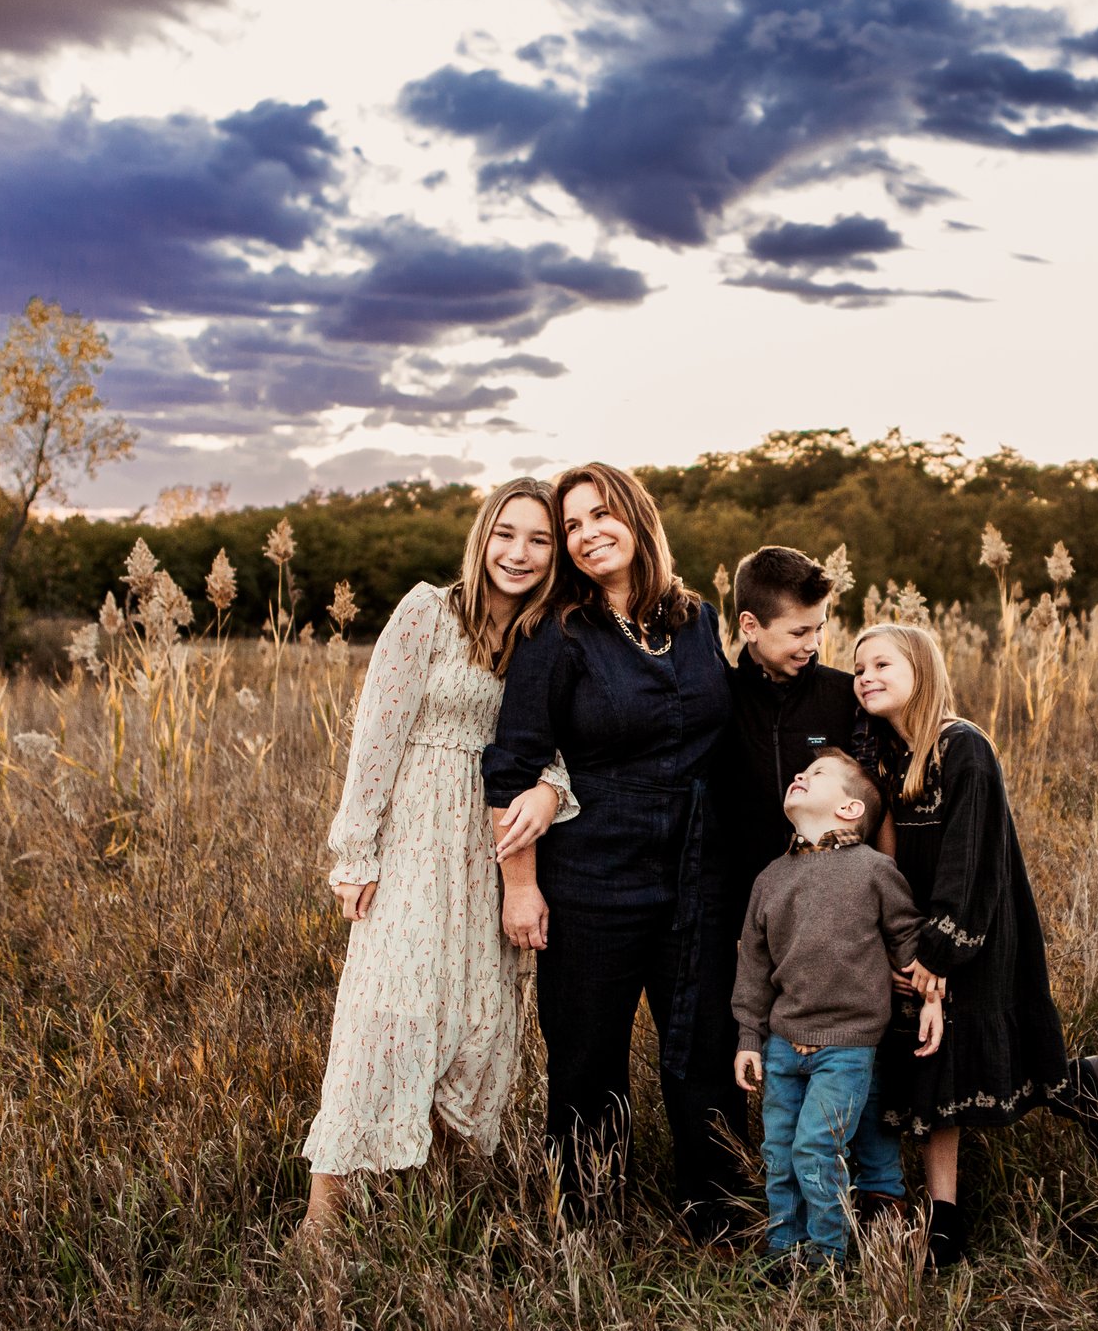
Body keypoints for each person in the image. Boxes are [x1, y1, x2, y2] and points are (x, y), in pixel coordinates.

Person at [297, 477, 576, 1247]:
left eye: (539, 540)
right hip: (416, 837)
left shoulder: (548, 634)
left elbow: (561, 747)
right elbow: (376, 735)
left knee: (480, 1017)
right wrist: (356, 849)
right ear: (483, 536)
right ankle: (325, 1219)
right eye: (507, 534)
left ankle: (448, 1201)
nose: (519, 553)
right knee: (384, 1012)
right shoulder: (427, 610)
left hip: (491, 848)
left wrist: (551, 790)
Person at [480, 463, 748, 1246]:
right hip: (593, 866)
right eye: (574, 525)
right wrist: (519, 886)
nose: (590, 532)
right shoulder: (556, 634)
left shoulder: (695, 618)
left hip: (699, 867)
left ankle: (720, 1209)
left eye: (604, 515)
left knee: (704, 1043)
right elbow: (511, 766)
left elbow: (729, 729)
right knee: (588, 1054)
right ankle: (590, 1221)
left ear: (637, 519)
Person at [853, 621, 1098, 1268]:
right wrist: (900, 948)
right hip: (919, 931)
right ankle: (944, 1214)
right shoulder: (883, 755)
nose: (865, 677)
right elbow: (884, 864)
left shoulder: (963, 749)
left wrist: (938, 959)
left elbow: (972, 862)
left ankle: (1081, 1086)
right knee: (930, 1061)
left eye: (882, 664)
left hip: (976, 925)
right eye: (858, 669)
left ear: (922, 668)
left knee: (974, 1056)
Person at [712, 545, 908, 1218]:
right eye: (800, 630)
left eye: (821, 627)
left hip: (844, 914)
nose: (814, 642)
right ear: (748, 625)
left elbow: (874, 795)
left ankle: (876, 1190)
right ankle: (769, 1188)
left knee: (859, 1053)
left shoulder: (836, 693)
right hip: (753, 909)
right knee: (766, 1050)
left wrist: (885, 902)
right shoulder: (718, 694)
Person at [731, 750, 943, 1270]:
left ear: (849, 810)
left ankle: (827, 1254)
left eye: (817, 773)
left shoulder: (874, 871)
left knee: (815, 1149)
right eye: (802, 771)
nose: (800, 774)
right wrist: (748, 1039)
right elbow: (754, 968)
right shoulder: (770, 879)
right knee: (779, 1154)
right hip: (783, 1045)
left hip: (847, 1047)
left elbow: (908, 939)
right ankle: (783, 1249)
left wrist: (932, 992)